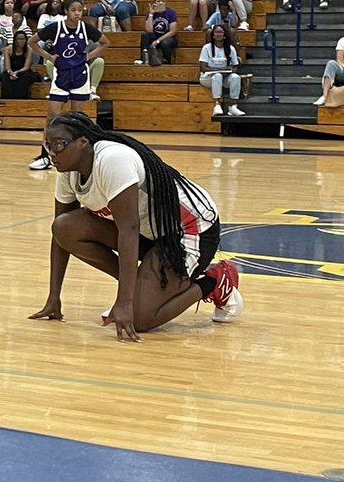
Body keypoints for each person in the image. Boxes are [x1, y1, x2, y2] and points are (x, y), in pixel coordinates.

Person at [28, 110, 243, 341]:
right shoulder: (68, 171)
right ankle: (146, 289)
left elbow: (127, 230)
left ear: (83, 143)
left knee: (140, 319)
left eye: (59, 144)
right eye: (48, 145)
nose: (52, 153)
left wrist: (125, 303)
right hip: (149, 232)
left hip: (189, 229)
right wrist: (53, 296)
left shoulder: (112, 160)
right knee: (64, 227)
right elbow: (60, 235)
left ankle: (215, 281)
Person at [28, 0, 109, 171]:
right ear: (66, 11)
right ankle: (45, 155)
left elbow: (105, 43)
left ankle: (77, 155)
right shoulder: (56, 28)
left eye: (80, 10)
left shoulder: (86, 28)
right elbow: (32, 41)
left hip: (80, 75)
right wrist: (49, 57)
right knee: (52, 116)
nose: (77, 13)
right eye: (74, 10)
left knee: (77, 117)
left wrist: (89, 56)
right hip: (61, 75)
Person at [199, 24, 244, 117]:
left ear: (224, 35)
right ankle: (217, 104)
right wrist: (221, 69)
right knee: (218, 76)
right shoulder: (206, 48)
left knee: (235, 77)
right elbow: (203, 68)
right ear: (213, 35)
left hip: (224, 77)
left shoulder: (230, 48)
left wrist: (230, 71)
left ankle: (233, 107)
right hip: (207, 77)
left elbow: (235, 66)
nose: (218, 34)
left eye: (220, 32)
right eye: (216, 32)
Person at [138, 0, 179, 66]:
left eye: (163, 1)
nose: (161, 3)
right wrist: (151, 14)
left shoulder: (171, 12)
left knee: (166, 43)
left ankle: (166, 61)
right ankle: (144, 58)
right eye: (158, 1)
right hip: (155, 35)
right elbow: (148, 30)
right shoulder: (151, 12)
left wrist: (157, 41)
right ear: (155, 3)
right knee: (145, 35)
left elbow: (173, 31)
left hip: (168, 37)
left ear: (165, 3)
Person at [0, 31, 36, 100]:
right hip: (11, 70)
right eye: (19, 39)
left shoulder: (29, 49)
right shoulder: (7, 49)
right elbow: (7, 66)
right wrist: (11, 73)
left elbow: (26, 67)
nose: (21, 41)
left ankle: (22, 100)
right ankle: (7, 100)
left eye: (23, 39)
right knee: (4, 77)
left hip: (23, 71)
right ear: (15, 40)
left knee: (25, 78)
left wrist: (17, 72)